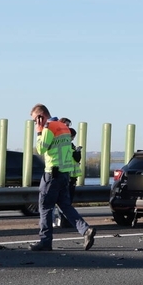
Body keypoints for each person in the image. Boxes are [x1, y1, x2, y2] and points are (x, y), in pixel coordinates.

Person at [28, 104, 95, 251]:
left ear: (41, 116)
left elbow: (41, 149)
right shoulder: (63, 127)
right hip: (65, 174)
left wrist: (38, 131)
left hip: (52, 173)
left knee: (45, 207)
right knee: (65, 206)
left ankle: (45, 242)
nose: (35, 122)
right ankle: (85, 230)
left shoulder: (48, 127)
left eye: (35, 119)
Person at [52, 117, 82, 229]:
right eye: (66, 125)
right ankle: (61, 221)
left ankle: (65, 221)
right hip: (62, 175)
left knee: (66, 201)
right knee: (60, 201)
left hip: (68, 176)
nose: (67, 128)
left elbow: (75, 159)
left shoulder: (69, 143)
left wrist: (77, 152)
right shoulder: (60, 141)